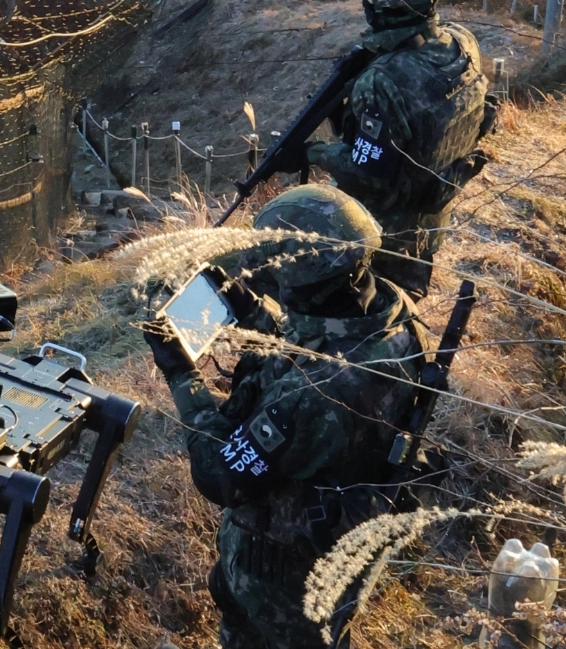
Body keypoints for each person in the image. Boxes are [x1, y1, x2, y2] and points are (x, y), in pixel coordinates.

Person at [144, 185, 432, 648]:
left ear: (302, 281)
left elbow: (221, 476)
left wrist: (182, 374)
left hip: (284, 591)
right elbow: (320, 344)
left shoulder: (317, 397)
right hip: (333, 557)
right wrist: (253, 311)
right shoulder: (393, 315)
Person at [298, 0, 494, 300]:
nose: (365, 0)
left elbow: (369, 174)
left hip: (383, 235)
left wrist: (314, 154)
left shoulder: (382, 79)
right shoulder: (462, 43)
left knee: (377, 321)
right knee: (409, 307)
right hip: (432, 217)